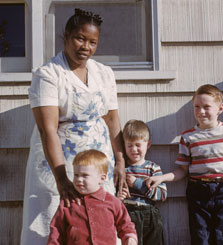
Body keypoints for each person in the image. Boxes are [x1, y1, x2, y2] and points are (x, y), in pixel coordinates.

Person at [21, 8, 127, 244]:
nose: (85, 47)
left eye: (92, 42)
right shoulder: (49, 75)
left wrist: (120, 161)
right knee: (55, 219)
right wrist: (61, 180)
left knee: (99, 218)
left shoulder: (104, 73)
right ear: (67, 35)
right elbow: (47, 129)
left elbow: (112, 119)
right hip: (58, 163)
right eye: (80, 38)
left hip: (97, 160)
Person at [146, 84, 223, 245]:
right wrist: (162, 178)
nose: (201, 111)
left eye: (206, 107)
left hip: (222, 190)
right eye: (197, 107)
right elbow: (183, 170)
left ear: (220, 108)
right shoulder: (188, 137)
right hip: (197, 191)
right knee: (200, 236)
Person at [47, 149, 137, 245]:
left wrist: (130, 237)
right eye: (76, 175)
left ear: (102, 178)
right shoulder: (68, 203)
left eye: (85, 175)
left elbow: (125, 224)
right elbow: (57, 230)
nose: (79, 179)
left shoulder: (112, 202)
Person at [117, 120, 167, 245]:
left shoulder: (152, 168)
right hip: (127, 214)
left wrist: (138, 185)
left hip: (150, 215)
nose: (134, 149)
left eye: (138, 145)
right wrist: (118, 198)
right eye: (129, 145)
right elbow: (112, 192)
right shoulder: (122, 170)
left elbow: (163, 194)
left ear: (148, 144)